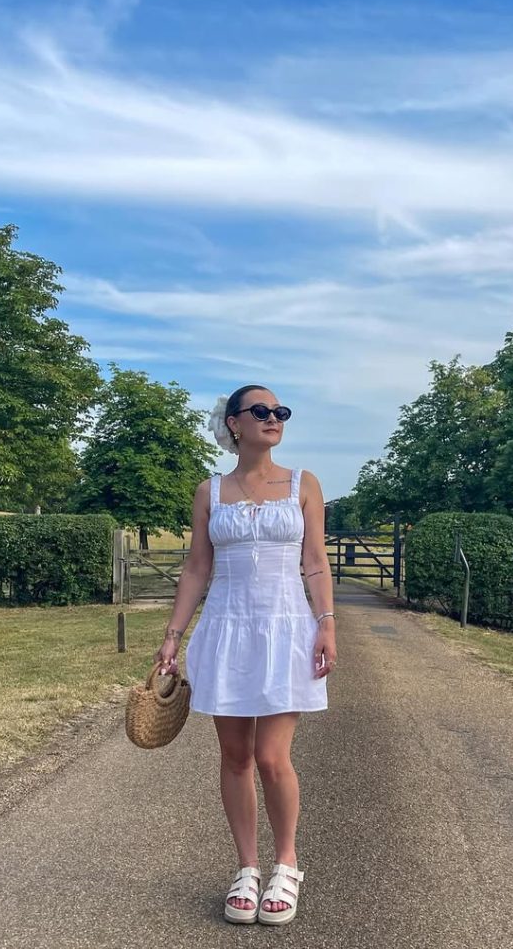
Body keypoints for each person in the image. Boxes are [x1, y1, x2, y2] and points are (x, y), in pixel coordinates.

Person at [154, 384, 337, 927]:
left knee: (272, 758)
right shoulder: (209, 491)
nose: (273, 418)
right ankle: (247, 868)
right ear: (234, 423)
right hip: (226, 630)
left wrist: (327, 623)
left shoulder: (303, 484)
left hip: (286, 630)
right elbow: (197, 568)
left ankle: (287, 864)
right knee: (235, 757)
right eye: (261, 411)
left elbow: (315, 561)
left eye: (280, 412)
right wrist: (173, 636)